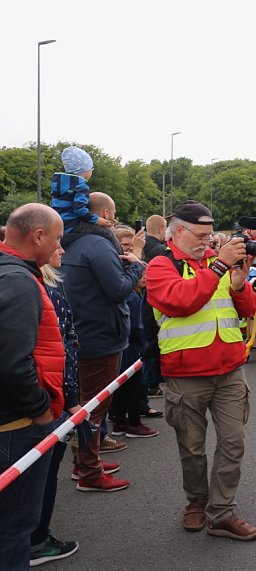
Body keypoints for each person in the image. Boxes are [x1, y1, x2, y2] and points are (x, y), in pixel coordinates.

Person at [145, 200, 256, 541]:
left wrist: (240, 285)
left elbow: (249, 309)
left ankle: (222, 512)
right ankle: (197, 500)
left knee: (233, 443)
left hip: (229, 372)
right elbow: (181, 302)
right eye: (201, 235)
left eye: (211, 236)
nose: (208, 242)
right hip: (186, 375)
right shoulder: (160, 266)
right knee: (192, 447)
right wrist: (221, 268)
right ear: (178, 231)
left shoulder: (216, 264)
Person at [60, 192, 146, 492]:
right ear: (107, 214)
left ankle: (83, 461)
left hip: (79, 334)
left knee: (83, 406)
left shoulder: (69, 242)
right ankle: (90, 473)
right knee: (94, 408)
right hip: (101, 335)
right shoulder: (97, 244)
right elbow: (118, 289)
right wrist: (136, 265)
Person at [0, 204, 65, 569]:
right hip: (16, 425)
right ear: (38, 236)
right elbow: (12, 361)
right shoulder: (18, 281)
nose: (60, 246)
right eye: (56, 238)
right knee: (14, 528)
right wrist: (40, 409)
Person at [30, 248, 81, 567]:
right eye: (57, 240)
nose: (63, 248)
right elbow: (65, 355)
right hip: (48, 402)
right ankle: (37, 539)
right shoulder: (48, 295)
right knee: (43, 473)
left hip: (32, 400)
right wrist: (72, 402)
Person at [107, 226, 159, 439]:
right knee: (130, 386)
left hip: (128, 344)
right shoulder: (130, 294)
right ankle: (129, 422)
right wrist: (146, 345)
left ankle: (121, 418)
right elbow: (136, 327)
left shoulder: (134, 292)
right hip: (130, 346)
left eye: (132, 246)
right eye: (125, 245)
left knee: (126, 387)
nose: (128, 250)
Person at [51, 146, 112, 234]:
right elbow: (79, 209)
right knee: (107, 233)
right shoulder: (81, 186)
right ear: (86, 170)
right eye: (91, 169)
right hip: (72, 226)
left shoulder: (58, 184)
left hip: (59, 224)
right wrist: (97, 220)